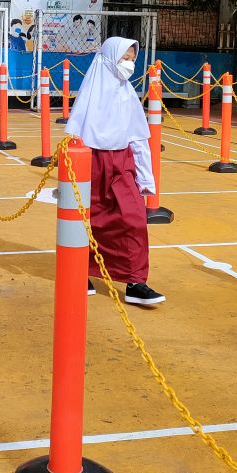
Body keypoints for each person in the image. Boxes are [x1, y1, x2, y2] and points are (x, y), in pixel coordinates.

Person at [64, 37, 164, 306]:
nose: (129, 65)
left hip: (122, 163)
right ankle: (81, 270)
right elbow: (74, 133)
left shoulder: (128, 93)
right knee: (88, 219)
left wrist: (145, 177)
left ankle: (135, 281)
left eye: (132, 59)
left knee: (132, 218)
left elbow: (139, 137)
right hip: (91, 161)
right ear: (109, 59)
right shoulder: (90, 93)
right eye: (125, 59)